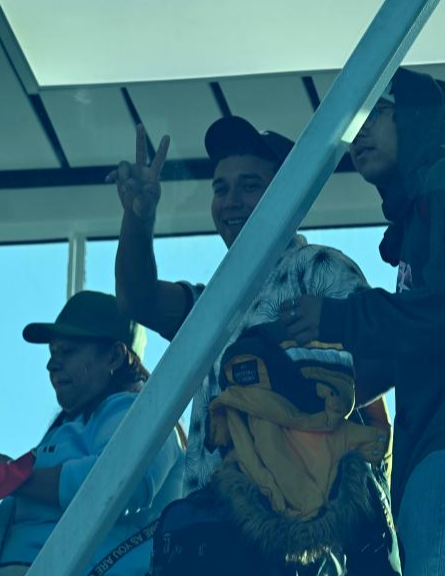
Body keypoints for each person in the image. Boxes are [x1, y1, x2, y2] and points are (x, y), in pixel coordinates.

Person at [279, 69, 445, 575]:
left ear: (418, 120)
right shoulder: (431, 205)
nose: (359, 131)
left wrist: (339, 316)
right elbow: (439, 327)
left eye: (377, 113)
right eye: (357, 120)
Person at [110, 117, 389, 495]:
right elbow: (138, 299)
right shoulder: (214, 302)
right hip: (214, 514)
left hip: (302, 517)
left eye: (250, 186)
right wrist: (138, 218)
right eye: (221, 189)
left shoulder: (318, 267)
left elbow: (382, 360)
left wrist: (294, 423)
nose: (231, 201)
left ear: (288, 194)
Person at [0, 291, 183, 576]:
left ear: (114, 356)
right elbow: (2, 554)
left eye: (67, 352)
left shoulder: (142, 414)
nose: (51, 364)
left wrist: (12, 477)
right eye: (52, 353)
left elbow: (123, 485)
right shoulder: (61, 436)